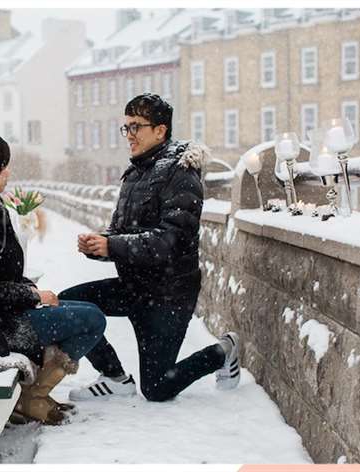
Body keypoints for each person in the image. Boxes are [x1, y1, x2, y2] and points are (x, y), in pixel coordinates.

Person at [59, 93, 241, 402]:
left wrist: (112, 245)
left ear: (160, 130)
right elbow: (123, 233)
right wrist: (99, 245)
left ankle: (223, 351)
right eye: (126, 127)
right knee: (66, 307)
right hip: (134, 287)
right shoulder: (135, 173)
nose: (129, 135)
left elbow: (168, 242)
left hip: (168, 295)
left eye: (136, 127)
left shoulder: (181, 174)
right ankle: (115, 377)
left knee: (157, 389)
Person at [0, 131, 107, 424]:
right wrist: (33, 296)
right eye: (3, 165)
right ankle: (33, 396)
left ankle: (32, 393)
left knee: (86, 310)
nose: (8, 172)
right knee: (92, 320)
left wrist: (29, 290)